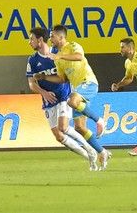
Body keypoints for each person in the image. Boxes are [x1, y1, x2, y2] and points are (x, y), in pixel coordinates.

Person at [27, 27, 98, 168]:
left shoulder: (57, 53)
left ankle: (91, 150)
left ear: (40, 40)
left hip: (64, 96)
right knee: (59, 136)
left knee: (64, 127)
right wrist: (43, 92)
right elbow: (31, 84)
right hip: (48, 101)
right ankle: (88, 155)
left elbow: (66, 74)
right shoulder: (33, 60)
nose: (29, 42)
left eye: (31, 39)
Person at [49, 25, 109, 169]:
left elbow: (79, 56)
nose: (50, 39)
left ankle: (100, 120)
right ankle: (102, 151)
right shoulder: (58, 58)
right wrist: (44, 77)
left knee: (72, 101)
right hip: (77, 88)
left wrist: (60, 55)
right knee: (79, 127)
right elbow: (63, 78)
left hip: (88, 82)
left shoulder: (73, 46)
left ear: (61, 37)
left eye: (52, 36)